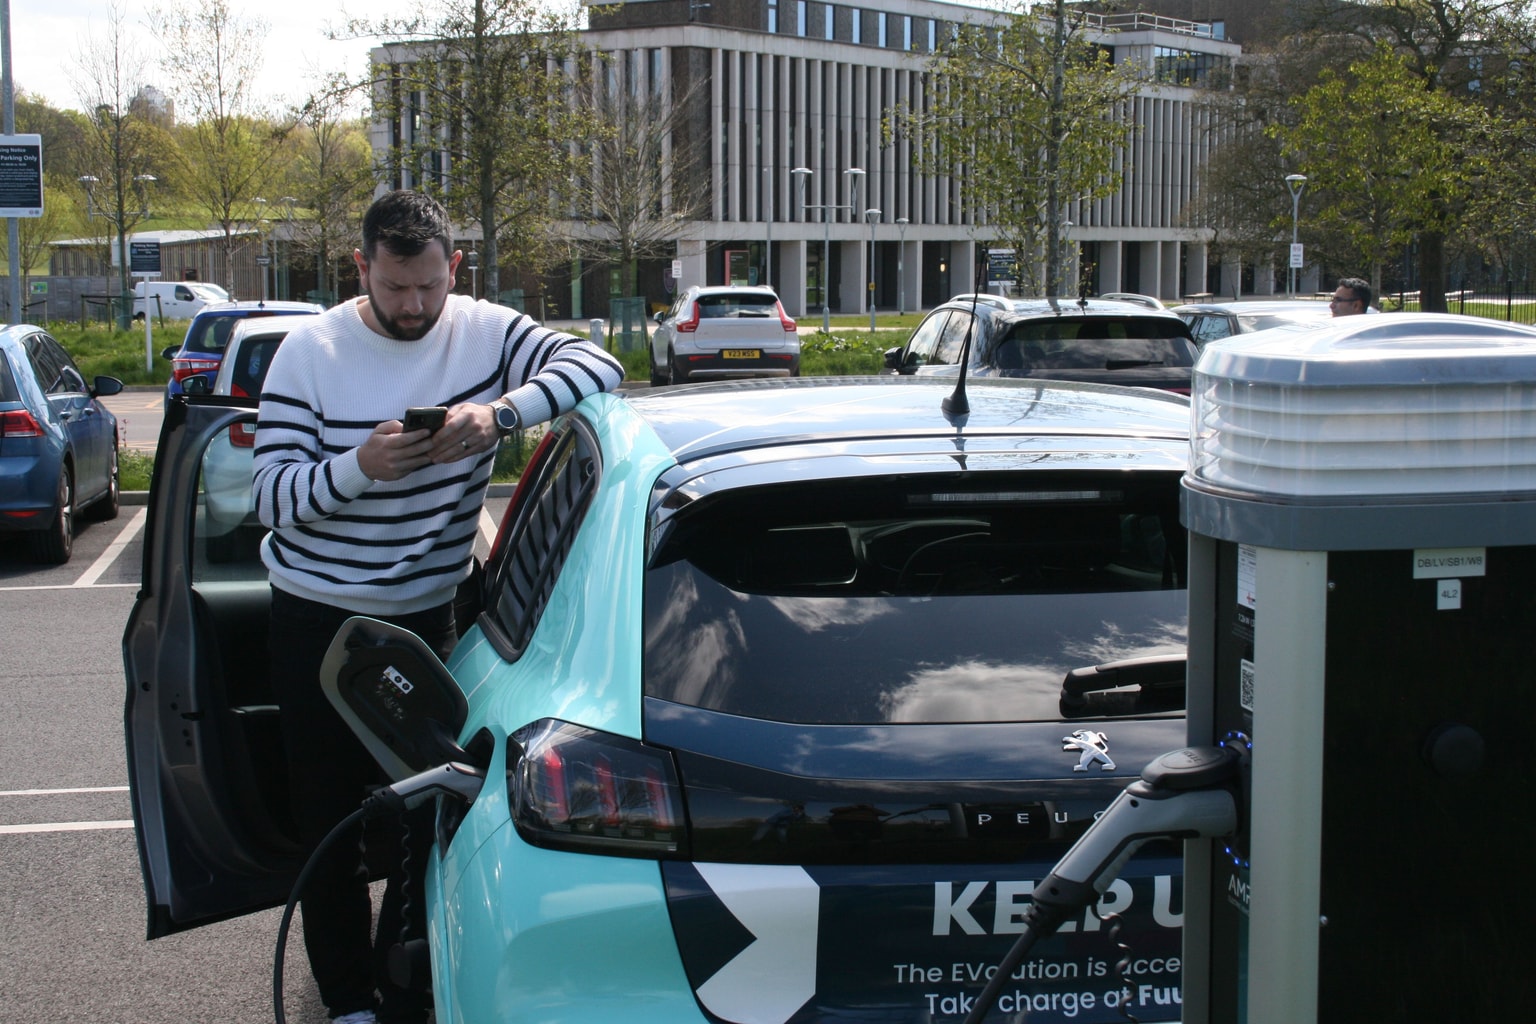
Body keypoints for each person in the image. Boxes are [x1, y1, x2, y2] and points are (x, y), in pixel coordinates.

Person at [253, 189, 623, 1024]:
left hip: (429, 617)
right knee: (332, 828)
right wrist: (359, 468)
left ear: (454, 268)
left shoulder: (486, 330)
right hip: (317, 618)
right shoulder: (307, 351)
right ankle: (347, 1004)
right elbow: (269, 498)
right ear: (361, 270)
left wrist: (499, 414)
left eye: (430, 287)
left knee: (433, 815)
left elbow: (599, 367)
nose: (416, 306)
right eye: (395, 290)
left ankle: (403, 987)